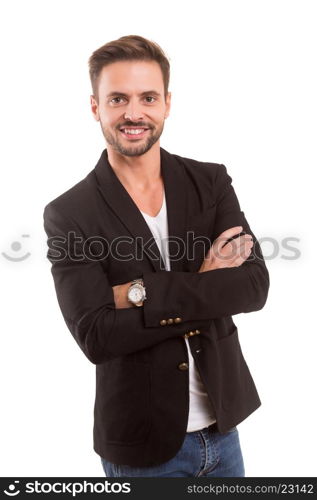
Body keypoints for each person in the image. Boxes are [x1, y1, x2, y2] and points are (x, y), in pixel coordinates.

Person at [43, 35, 270, 477]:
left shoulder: (210, 182)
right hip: (141, 446)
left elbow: (253, 286)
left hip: (225, 432)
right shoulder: (70, 214)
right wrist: (206, 280)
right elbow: (96, 335)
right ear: (96, 107)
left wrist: (137, 292)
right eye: (118, 99)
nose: (134, 113)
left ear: (166, 103)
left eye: (148, 97)